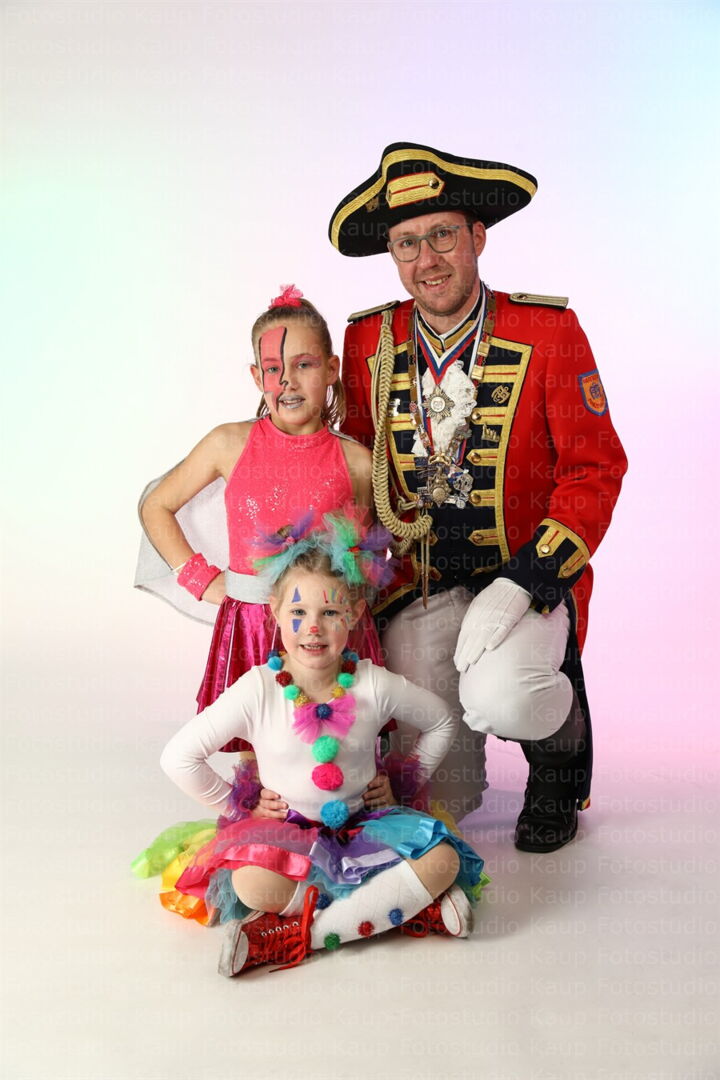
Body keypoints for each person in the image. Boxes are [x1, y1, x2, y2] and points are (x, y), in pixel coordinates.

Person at [328, 142, 628, 852]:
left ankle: (558, 763)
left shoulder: (547, 331)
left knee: (506, 697)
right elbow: (359, 468)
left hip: (523, 577)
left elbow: (594, 468)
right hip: (420, 582)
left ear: (477, 238)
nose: (426, 258)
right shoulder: (368, 340)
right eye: (407, 242)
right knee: (440, 800)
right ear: (392, 254)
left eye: (442, 235)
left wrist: (527, 580)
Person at [146, 513, 486, 976]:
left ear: (355, 614)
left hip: (365, 826)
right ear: (274, 612)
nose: (313, 628)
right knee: (250, 883)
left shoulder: (372, 683)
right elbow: (178, 757)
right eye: (298, 613)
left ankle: (291, 934)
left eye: (330, 613)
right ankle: (402, 909)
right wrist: (237, 805)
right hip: (288, 833)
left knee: (442, 859)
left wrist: (405, 783)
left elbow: (443, 720)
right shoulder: (258, 689)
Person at [135, 286, 384, 767]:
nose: (287, 381)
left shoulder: (356, 460)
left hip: (327, 629)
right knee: (260, 751)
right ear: (256, 376)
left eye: (304, 365)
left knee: (333, 749)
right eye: (273, 368)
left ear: (332, 369)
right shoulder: (228, 443)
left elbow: (368, 553)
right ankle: (259, 805)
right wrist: (200, 579)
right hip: (252, 626)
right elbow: (157, 505)